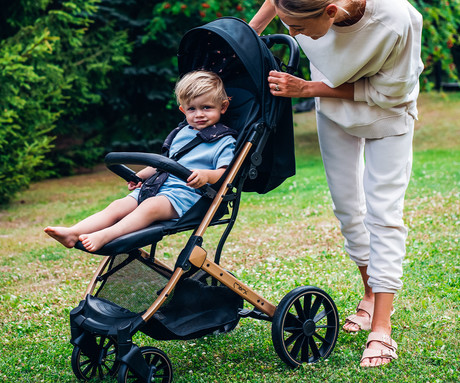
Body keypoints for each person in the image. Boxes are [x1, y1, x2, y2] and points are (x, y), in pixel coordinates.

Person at [250, 0, 423, 368]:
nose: (293, 36)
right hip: (330, 106)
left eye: (299, 28)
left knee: (384, 213)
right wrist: (249, 36)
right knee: (347, 208)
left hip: (386, 112)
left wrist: (308, 88)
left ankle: (382, 326)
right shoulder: (299, 6)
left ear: (330, 11)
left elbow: (389, 94)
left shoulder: (397, 22)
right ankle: (369, 295)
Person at [45, 70, 236, 252]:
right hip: (158, 187)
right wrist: (140, 176)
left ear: (223, 106)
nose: (199, 114)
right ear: (182, 110)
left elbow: (226, 172)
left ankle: (106, 235)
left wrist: (206, 175)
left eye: (207, 108)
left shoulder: (225, 141)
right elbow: (167, 162)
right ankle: (73, 232)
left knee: (149, 207)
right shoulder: (182, 133)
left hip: (187, 196)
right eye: (192, 109)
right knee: (118, 206)